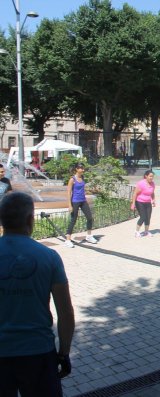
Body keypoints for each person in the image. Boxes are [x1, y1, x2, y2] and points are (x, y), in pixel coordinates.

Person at [0, 192, 75, 396]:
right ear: (30, 220)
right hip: (37, 351)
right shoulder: (49, 257)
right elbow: (66, 312)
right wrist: (64, 352)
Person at [64, 163, 97, 248]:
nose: (83, 170)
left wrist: (91, 191)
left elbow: (83, 189)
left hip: (83, 201)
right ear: (76, 169)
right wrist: (69, 205)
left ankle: (89, 236)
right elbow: (68, 192)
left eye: (83, 168)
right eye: (81, 168)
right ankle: (67, 239)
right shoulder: (72, 179)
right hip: (75, 201)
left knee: (90, 218)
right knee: (73, 220)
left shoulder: (82, 178)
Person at [130, 170, 156, 237]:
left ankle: (146, 231)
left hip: (148, 202)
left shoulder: (153, 184)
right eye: (150, 176)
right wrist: (133, 204)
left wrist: (153, 200)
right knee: (143, 217)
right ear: (146, 176)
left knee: (148, 217)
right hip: (140, 202)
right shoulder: (141, 183)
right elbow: (135, 194)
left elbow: (152, 193)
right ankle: (136, 231)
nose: (151, 178)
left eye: (152, 176)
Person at [0, 164, 13, 236]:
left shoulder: (6, 181)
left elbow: (10, 193)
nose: (3, 173)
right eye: (1, 172)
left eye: (3, 171)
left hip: (3, 209)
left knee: (3, 229)